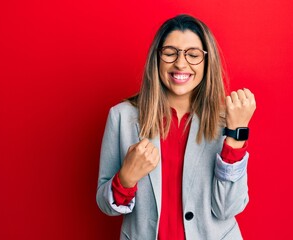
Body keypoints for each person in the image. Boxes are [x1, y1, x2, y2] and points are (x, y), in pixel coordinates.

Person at [96, 14, 256, 240]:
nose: (181, 63)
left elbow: (227, 208)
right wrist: (126, 178)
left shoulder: (227, 120)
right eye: (170, 53)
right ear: (157, 58)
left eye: (193, 55)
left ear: (207, 61)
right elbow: (106, 205)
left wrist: (236, 135)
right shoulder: (121, 117)